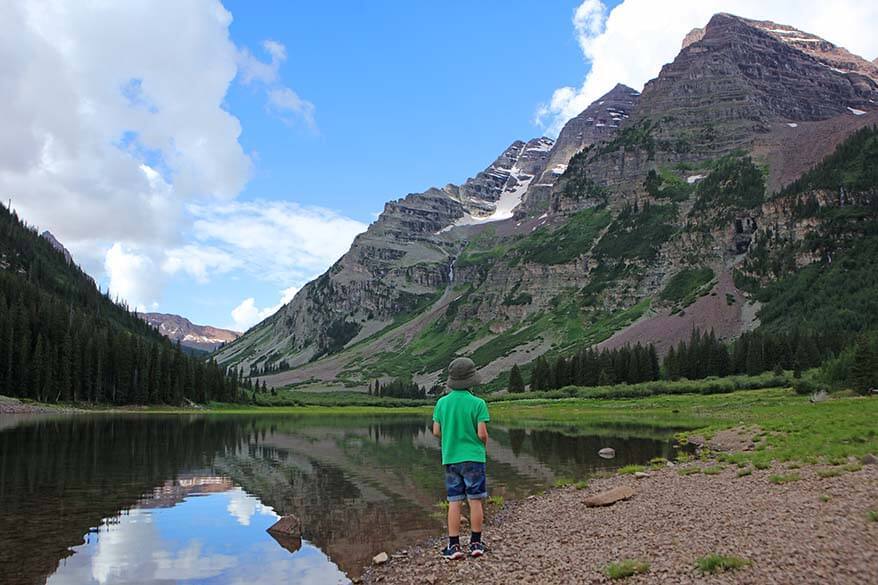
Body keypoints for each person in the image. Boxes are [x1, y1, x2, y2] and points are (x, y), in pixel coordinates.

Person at [432, 357, 490, 560]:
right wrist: (482, 445)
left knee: (454, 502)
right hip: (474, 458)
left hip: (450, 457)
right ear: (471, 379)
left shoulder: (441, 403)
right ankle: (475, 544)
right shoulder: (478, 403)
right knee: (475, 501)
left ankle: (454, 546)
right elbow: (482, 433)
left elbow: (436, 431)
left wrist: (450, 438)